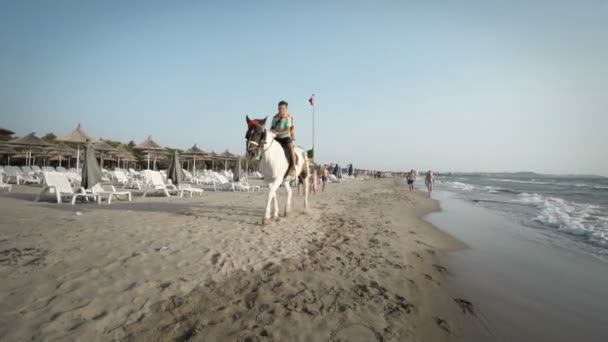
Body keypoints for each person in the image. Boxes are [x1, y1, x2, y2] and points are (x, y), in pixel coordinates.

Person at [271, 100, 297, 177]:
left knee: (290, 147)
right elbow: (272, 127)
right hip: (276, 138)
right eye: (279, 108)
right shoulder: (275, 118)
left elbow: (287, 130)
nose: (281, 110)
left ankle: (293, 167)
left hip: (285, 137)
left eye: (283, 108)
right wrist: (272, 130)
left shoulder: (288, 118)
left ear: (286, 109)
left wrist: (278, 133)